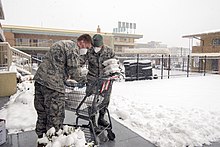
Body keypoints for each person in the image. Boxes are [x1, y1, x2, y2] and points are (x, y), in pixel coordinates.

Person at [33, 34, 92, 144]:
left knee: (42, 113)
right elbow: (74, 71)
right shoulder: (72, 47)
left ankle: (41, 140)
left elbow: (58, 65)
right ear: (82, 42)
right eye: (87, 47)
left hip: (40, 81)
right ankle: (53, 142)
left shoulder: (62, 43)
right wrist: (86, 81)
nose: (86, 50)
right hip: (53, 85)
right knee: (55, 115)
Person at [81, 34, 119, 132]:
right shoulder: (89, 51)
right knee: (91, 101)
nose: (96, 48)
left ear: (102, 44)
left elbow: (114, 63)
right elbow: (80, 61)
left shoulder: (109, 51)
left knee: (105, 100)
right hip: (92, 79)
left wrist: (115, 73)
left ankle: (101, 118)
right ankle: (92, 121)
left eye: (98, 46)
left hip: (105, 80)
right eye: (94, 46)